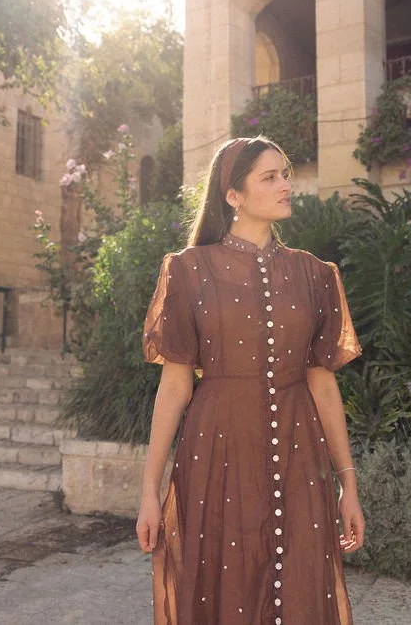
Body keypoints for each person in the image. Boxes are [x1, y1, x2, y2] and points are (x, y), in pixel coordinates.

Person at [137, 136, 366, 625]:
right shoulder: (188, 271)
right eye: (270, 177)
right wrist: (149, 493)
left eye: (285, 173)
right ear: (233, 195)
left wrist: (349, 485)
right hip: (215, 454)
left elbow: (324, 385)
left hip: (299, 454)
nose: (286, 184)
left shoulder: (314, 275)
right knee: (223, 588)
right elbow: (175, 387)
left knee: (302, 586)